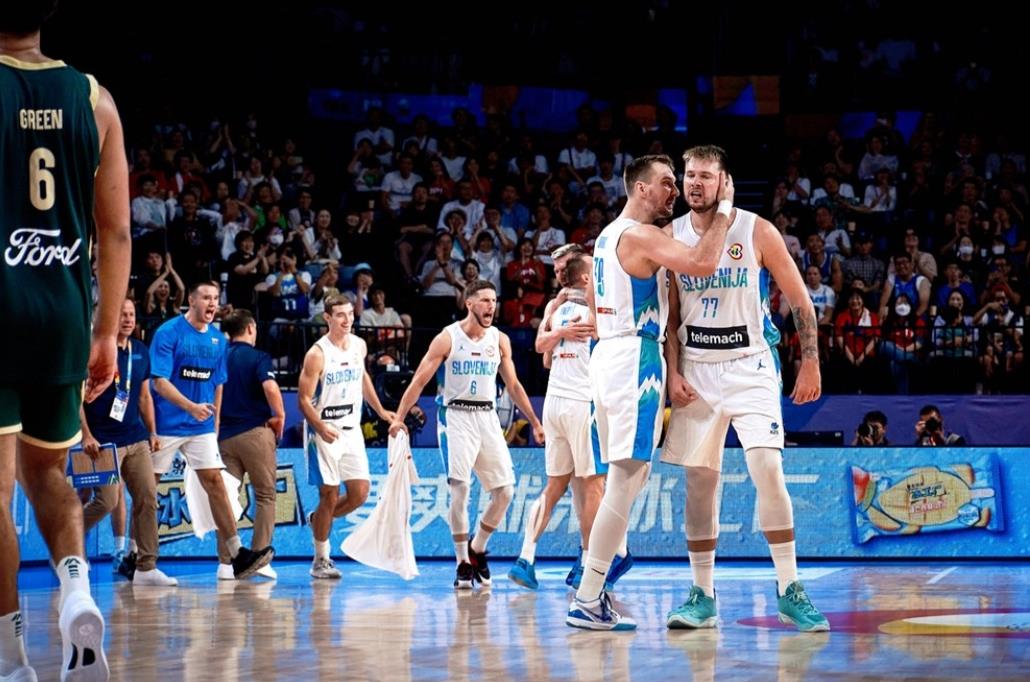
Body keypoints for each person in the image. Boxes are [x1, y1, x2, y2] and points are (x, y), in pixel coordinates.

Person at [1, 3, 132, 678]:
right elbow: (116, 231)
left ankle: (10, 658)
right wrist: (105, 331)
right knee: (48, 472)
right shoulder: (93, 98)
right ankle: (76, 591)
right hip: (62, 313)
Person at [661, 145, 829, 633]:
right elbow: (670, 317)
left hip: (751, 365)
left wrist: (811, 361)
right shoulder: (670, 236)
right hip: (697, 369)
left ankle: (790, 588)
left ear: (724, 182)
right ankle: (702, 594)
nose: (695, 184)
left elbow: (799, 299)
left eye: (705, 176)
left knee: (767, 469)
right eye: (689, 175)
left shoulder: (756, 230)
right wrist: (672, 373)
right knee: (699, 483)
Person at [566, 153, 732, 632]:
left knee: (626, 479)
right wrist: (724, 210)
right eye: (666, 183)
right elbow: (703, 263)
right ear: (641, 189)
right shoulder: (640, 235)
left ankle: (597, 577)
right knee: (627, 479)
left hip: (608, 355)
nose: (674, 191)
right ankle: (589, 593)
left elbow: (597, 303)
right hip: (633, 358)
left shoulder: (605, 238)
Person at [388, 280, 545, 589]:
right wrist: (399, 418)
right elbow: (419, 380)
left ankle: (477, 547)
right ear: (469, 303)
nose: (491, 306)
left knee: (505, 492)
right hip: (455, 416)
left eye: (494, 300)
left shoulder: (499, 339)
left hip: (487, 417)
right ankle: (462, 562)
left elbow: (513, 386)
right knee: (460, 490)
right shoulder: (448, 338)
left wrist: (535, 422)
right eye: (484, 300)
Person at [509, 250, 622, 591]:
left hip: (554, 402)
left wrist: (558, 332)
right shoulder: (595, 311)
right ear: (586, 278)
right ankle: (589, 563)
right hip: (581, 403)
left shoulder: (556, 310)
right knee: (593, 487)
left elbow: (543, 357)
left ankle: (526, 557)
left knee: (555, 486)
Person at [149, 281, 274, 580]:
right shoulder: (168, 332)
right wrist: (191, 406)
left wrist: (213, 423)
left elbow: (218, 383)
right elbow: (159, 382)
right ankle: (137, 558)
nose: (212, 303)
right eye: (206, 297)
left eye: (215, 298)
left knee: (216, 483)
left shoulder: (218, 340)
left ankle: (236, 554)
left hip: (201, 426)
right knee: (147, 491)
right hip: (167, 424)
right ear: (191, 300)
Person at [79, 299, 175, 587]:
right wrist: (86, 434)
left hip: (136, 439)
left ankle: (146, 567)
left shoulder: (141, 351)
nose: (128, 319)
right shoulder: (91, 349)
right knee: (106, 502)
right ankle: (66, 544)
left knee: (148, 499)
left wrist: (153, 432)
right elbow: (76, 397)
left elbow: (144, 396)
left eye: (132, 314)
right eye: (122, 314)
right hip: (102, 443)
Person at [298, 297, 395, 579]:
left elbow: (363, 378)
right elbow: (303, 400)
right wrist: (319, 426)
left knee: (359, 494)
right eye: (340, 315)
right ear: (327, 318)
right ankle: (321, 559)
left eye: (350, 314)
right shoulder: (317, 354)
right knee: (328, 494)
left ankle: (318, 520)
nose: (347, 320)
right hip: (324, 430)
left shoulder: (358, 345)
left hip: (351, 429)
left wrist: (380, 410)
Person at [215, 309, 285, 580]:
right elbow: (270, 387)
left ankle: (226, 563)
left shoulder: (219, 356)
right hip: (255, 432)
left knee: (225, 498)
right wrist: (280, 415)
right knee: (265, 495)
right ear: (250, 328)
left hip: (223, 437)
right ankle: (259, 558)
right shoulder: (258, 357)